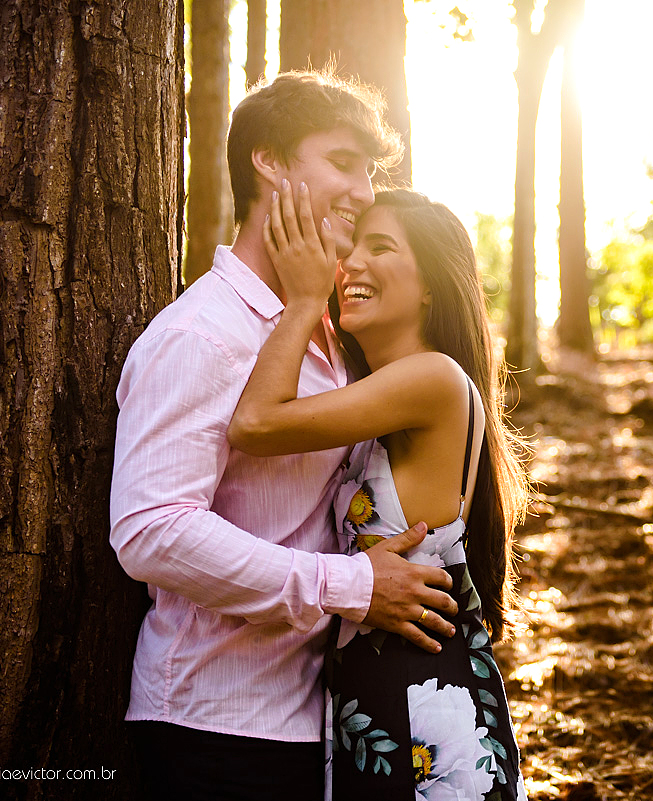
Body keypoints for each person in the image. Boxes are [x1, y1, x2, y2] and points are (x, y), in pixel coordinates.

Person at [109, 71, 458, 801]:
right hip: (215, 721)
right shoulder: (200, 334)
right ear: (267, 161)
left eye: (369, 170)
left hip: (318, 721)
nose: (363, 190)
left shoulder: (331, 334)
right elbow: (149, 529)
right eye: (342, 162)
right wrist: (351, 584)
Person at [227, 184, 530, 799]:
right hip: (372, 711)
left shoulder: (432, 378)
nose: (352, 262)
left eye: (381, 246)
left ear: (428, 285)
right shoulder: (373, 392)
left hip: (427, 716)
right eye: (354, 244)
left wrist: (305, 300)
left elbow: (255, 424)